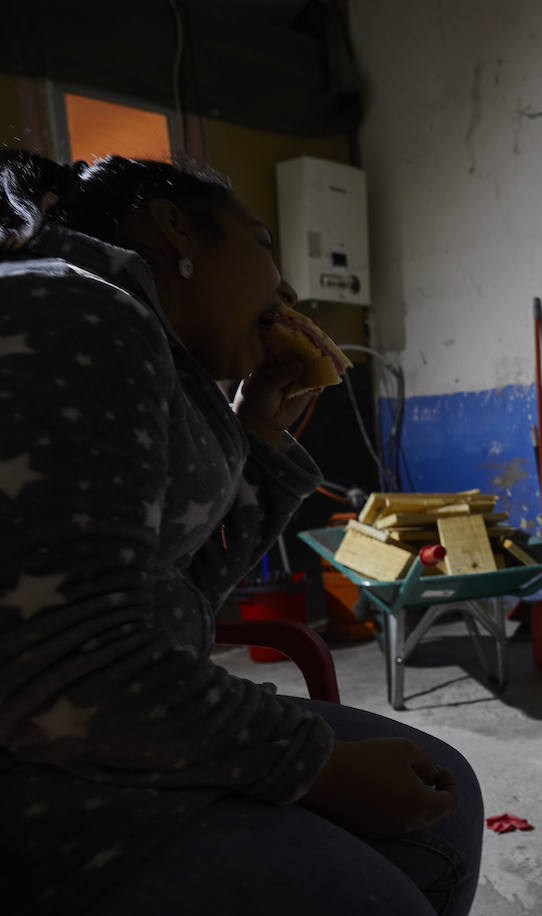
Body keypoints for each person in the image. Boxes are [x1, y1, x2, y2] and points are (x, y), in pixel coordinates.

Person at [0, 151, 483, 916]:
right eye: (262, 245)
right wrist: (317, 768)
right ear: (173, 229)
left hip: (96, 725)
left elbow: (177, 600)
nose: (287, 290)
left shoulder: (145, 347)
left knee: (444, 797)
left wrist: (254, 433)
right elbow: (68, 662)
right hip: (42, 775)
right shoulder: (72, 310)